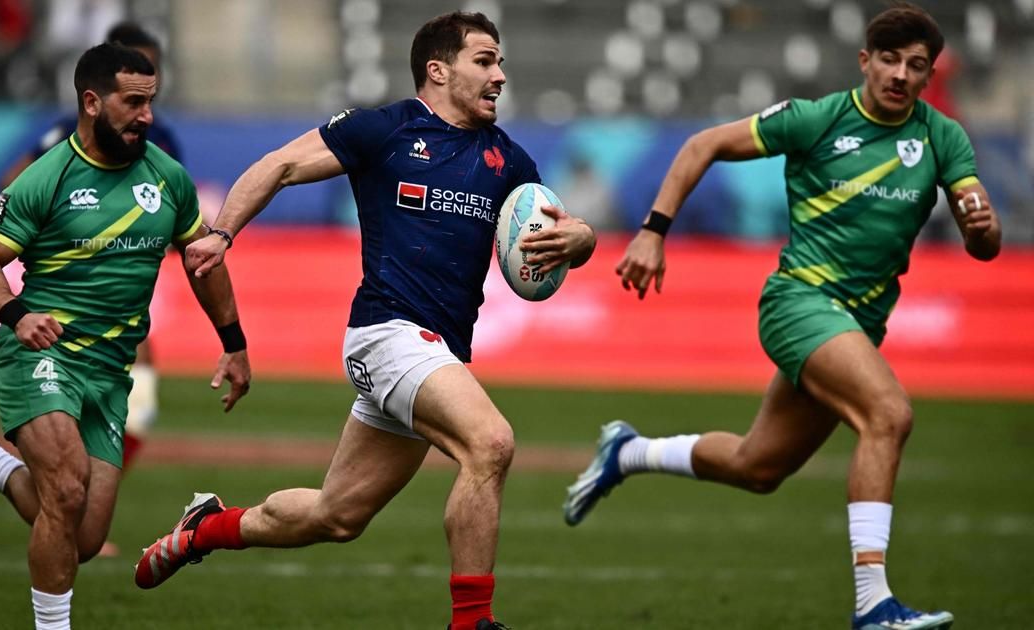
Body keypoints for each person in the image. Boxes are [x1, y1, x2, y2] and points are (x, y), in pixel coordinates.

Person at [133, 12, 595, 630]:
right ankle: (472, 623)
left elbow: (559, 233)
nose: (500, 76)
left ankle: (204, 528)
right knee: (490, 443)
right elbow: (281, 165)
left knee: (337, 516)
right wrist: (221, 232)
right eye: (484, 61)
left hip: (438, 352)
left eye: (500, 62)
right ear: (439, 69)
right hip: (386, 334)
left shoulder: (507, 160)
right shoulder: (385, 129)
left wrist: (582, 238)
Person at [563, 4, 1000, 629]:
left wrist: (983, 228)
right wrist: (653, 231)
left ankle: (628, 452)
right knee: (888, 413)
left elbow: (982, 241)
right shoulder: (819, 118)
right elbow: (702, 144)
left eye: (916, 65)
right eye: (890, 59)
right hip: (799, 303)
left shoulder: (943, 137)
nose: (901, 74)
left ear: (929, 75)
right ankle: (873, 602)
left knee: (758, 466)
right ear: (865, 61)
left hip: (857, 324)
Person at [0, 43, 251, 630]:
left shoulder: (167, 178)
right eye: (133, 102)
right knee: (64, 489)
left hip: (110, 371)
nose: (147, 116)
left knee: (81, 537)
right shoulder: (48, 177)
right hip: (41, 352)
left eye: (151, 102)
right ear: (92, 102)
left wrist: (234, 342)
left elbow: (200, 262)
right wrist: (17, 315)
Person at [0, 21, 183, 472]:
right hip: (65, 297)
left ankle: (83, 503)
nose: (147, 81)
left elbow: (172, 217)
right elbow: (12, 182)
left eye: (153, 71)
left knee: (133, 413)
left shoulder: (160, 141)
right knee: (79, 463)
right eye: (138, 68)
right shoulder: (68, 135)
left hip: (120, 308)